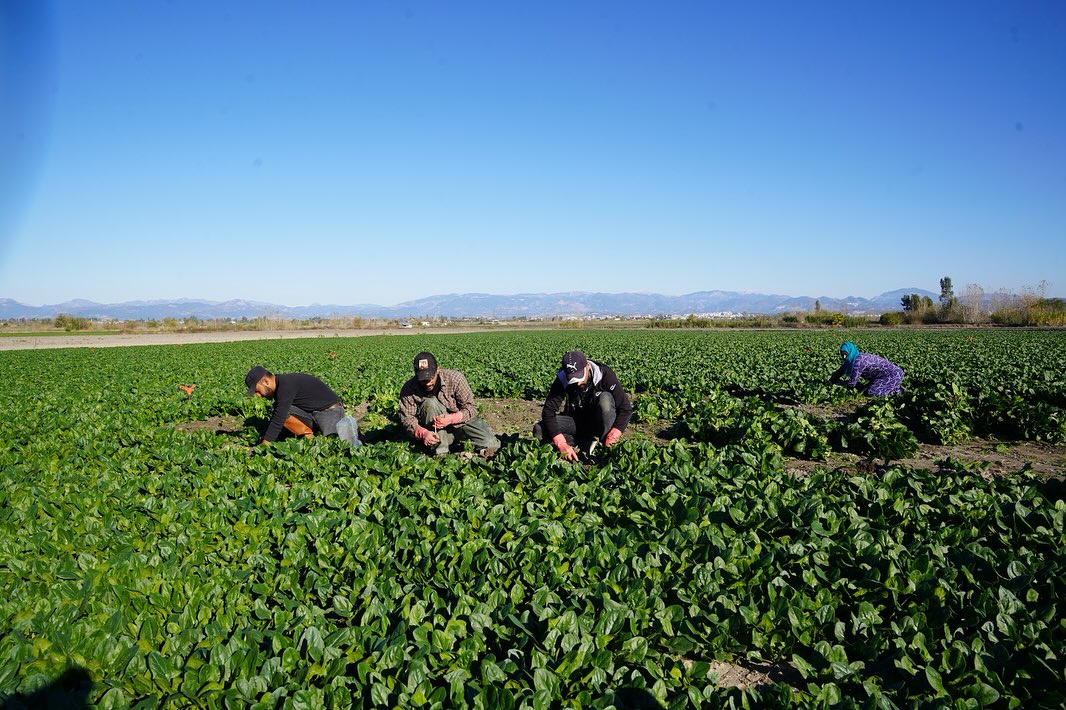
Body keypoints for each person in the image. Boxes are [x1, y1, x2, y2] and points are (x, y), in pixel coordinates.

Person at [533, 350, 632, 461]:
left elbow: (625, 408)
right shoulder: (562, 379)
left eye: (579, 377)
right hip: (576, 421)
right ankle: (585, 443)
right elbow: (548, 411)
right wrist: (561, 443)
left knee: (606, 400)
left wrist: (613, 435)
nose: (578, 383)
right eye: (573, 379)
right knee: (539, 429)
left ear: (587, 366)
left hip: (599, 422)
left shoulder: (605, 374)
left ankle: (606, 449)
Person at [398, 351, 501, 458]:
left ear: (438, 370)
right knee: (430, 403)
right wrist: (423, 433)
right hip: (434, 431)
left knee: (491, 444)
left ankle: (458, 443)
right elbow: (407, 419)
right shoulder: (409, 388)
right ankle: (440, 452)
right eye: (423, 379)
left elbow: (471, 408)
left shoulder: (456, 379)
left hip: (461, 424)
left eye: (430, 377)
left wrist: (451, 419)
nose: (427, 383)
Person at [245, 366, 361, 447]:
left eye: (257, 391)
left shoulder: (286, 385)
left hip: (330, 412)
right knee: (278, 408)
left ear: (265, 381)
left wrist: (265, 444)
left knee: (336, 444)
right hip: (313, 413)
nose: (258, 395)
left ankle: (313, 437)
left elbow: (278, 420)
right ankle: (308, 437)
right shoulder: (282, 384)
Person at [828, 342, 904, 396]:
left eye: (845, 354)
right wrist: (831, 380)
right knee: (864, 389)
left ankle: (897, 391)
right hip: (880, 377)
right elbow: (841, 371)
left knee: (871, 392)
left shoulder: (858, 361)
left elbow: (852, 383)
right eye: (842, 354)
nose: (844, 357)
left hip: (893, 375)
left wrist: (842, 389)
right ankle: (892, 386)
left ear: (850, 351)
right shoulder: (853, 358)